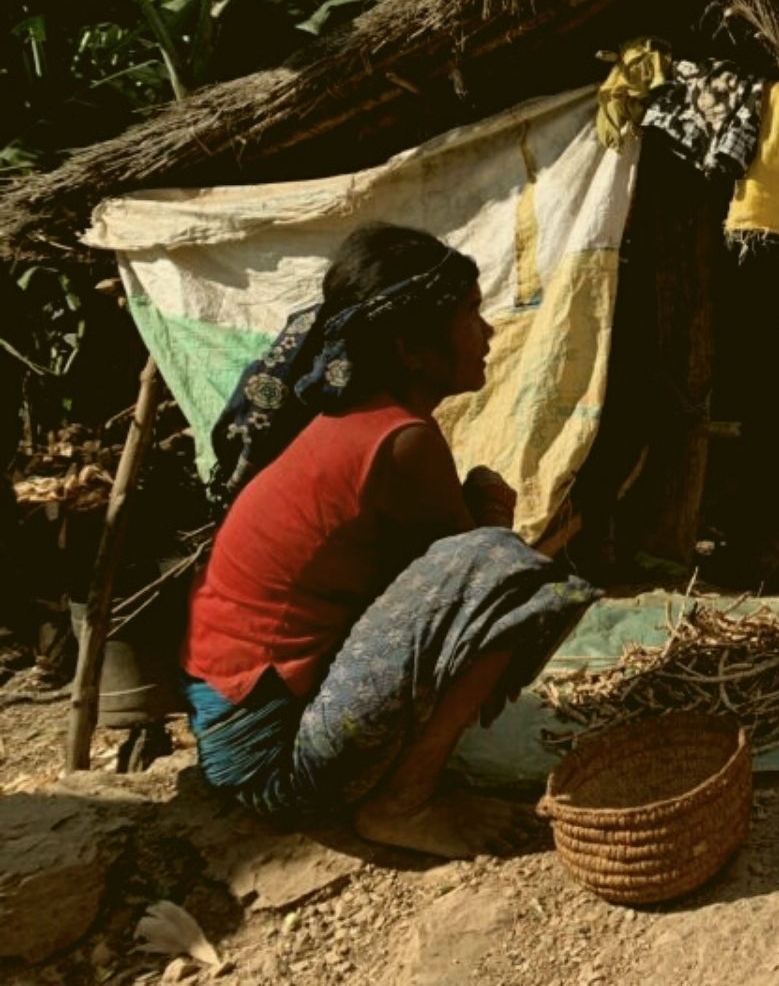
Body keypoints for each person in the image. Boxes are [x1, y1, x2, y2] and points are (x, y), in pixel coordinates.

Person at [180, 223, 599, 857]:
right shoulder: (400, 443)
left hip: (233, 731)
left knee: (493, 552)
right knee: (512, 574)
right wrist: (493, 517)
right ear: (411, 349)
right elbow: (480, 593)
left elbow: (417, 587)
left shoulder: (357, 423)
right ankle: (403, 804)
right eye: (469, 315)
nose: (486, 333)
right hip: (272, 764)